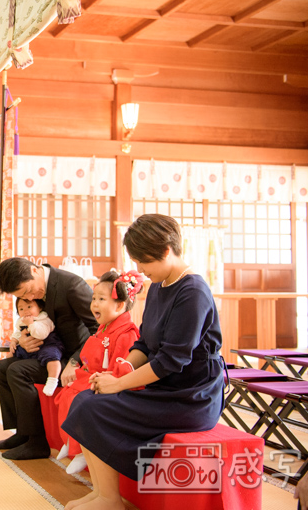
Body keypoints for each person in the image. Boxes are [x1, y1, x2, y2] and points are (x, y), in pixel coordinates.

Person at [61, 214, 225, 510]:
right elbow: (146, 345)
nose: (139, 270)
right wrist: (116, 372)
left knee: (93, 408)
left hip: (190, 395)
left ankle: (110, 499)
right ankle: (102, 493)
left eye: (143, 262)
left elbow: (171, 360)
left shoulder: (193, 292)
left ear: (165, 251)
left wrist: (120, 383)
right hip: (164, 385)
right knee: (85, 400)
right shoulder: (160, 286)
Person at [0, 257, 98, 460]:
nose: (31, 297)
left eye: (29, 291)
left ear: (35, 270)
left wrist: (75, 362)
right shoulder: (35, 287)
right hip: (47, 353)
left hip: (73, 357)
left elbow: (98, 328)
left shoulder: (72, 285)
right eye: (23, 296)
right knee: (2, 368)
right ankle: (22, 434)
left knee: (18, 371)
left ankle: (37, 442)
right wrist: (22, 340)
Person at [53, 269, 142, 475]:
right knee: (66, 393)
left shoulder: (126, 333)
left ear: (120, 305)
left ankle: (82, 449)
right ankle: (72, 443)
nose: (94, 304)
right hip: (93, 377)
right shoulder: (103, 328)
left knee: (78, 397)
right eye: (94, 298)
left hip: (112, 381)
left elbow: (121, 369)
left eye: (101, 299)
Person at [11, 298, 62, 396]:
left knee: (52, 357)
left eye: (29, 307)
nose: (25, 311)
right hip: (31, 348)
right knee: (13, 353)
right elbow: (18, 332)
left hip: (47, 344)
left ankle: (52, 379)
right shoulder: (23, 321)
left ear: (40, 307)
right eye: (21, 309)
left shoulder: (44, 319)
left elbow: (41, 334)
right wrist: (14, 340)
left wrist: (30, 324)